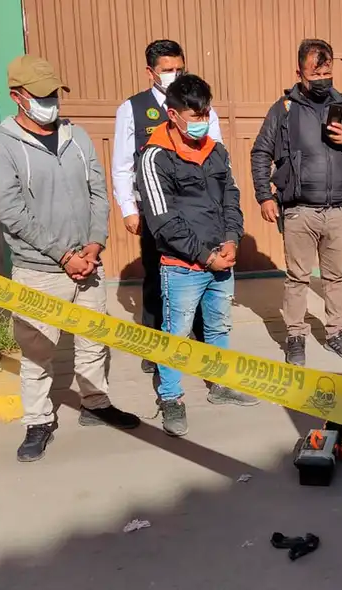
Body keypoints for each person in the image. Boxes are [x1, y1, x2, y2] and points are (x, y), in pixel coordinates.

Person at [0, 55, 141, 462]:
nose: (52, 100)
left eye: (54, 92)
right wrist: (63, 255)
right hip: (39, 270)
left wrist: (94, 244)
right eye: (42, 95)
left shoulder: (77, 135)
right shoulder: (1, 144)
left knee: (93, 341)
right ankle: (38, 421)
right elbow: (11, 210)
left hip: (87, 264)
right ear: (18, 97)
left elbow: (98, 192)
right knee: (38, 351)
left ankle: (96, 403)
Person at [138, 73, 259, 437]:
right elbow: (163, 221)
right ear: (172, 116)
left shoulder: (216, 150)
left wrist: (231, 240)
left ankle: (219, 385)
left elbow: (230, 199)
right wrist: (206, 256)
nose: (202, 121)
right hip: (183, 266)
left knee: (218, 326)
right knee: (175, 334)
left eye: (206, 112)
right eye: (195, 115)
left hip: (221, 259)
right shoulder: (155, 157)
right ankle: (171, 398)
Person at [250, 38, 342, 367]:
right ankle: (296, 336)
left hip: (337, 210)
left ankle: (336, 333)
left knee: (335, 277)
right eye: (315, 72)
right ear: (300, 72)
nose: (323, 78)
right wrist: (264, 194)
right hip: (299, 211)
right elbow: (261, 152)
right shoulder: (284, 109)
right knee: (298, 278)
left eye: (327, 71)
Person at [112, 39, 221, 374]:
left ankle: (203, 342)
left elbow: (217, 155)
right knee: (156, 277)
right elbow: (121, 165)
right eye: (167, 70)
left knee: (201, 273)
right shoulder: (132, 109)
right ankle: (156, 346)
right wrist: (129, 208)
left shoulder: (201, 107)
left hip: (197, 210)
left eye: (179, 69)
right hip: (154, 211)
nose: (174, 75)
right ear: (151, 72)